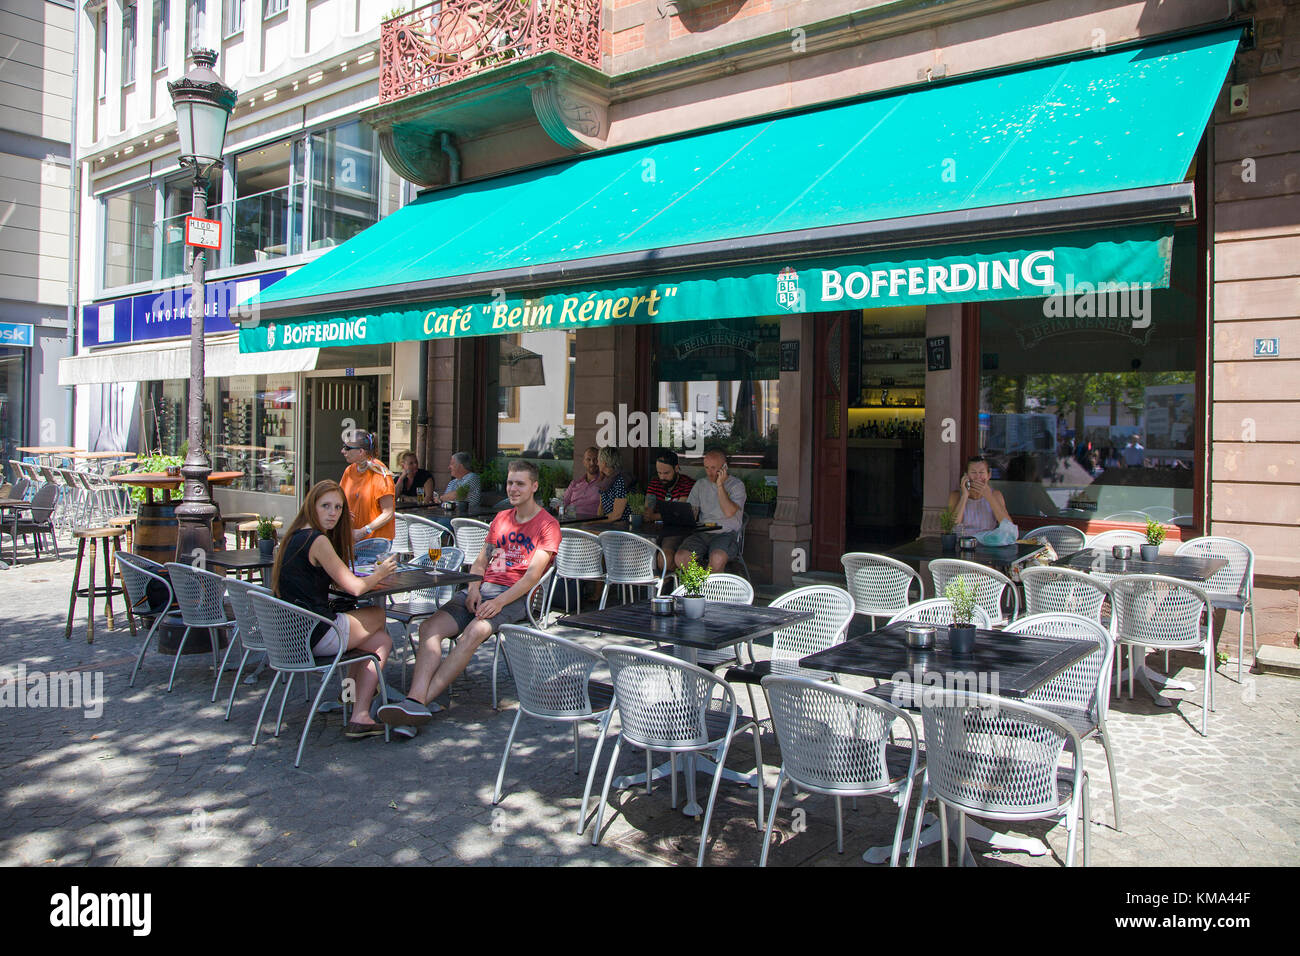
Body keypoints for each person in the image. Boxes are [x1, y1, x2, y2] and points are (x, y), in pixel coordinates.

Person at [378, 460, 560, 725]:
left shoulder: (547, 525)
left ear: (534, 486)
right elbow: (480, 562)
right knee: (429, 628)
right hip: (483, 589)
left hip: (518, 598)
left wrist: (497, 602)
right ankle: (416, 702)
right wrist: (474, 587)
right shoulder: (501, 519)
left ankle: (417, 703)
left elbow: (531, 578)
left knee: (473, 633)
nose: (513, 489)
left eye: (520, 483)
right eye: (510, 483)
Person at [272, 481, 398, 739]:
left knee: (381, 641)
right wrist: (381, 573)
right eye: (326, 506)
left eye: (338, 508)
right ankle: (356, 695)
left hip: (290, 635)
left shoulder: (294, 537)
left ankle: (358, 712)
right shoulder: (316, 540)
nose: (333, 513)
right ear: (311, 507)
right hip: (315, 633)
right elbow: (355, 588)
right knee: (378, 615)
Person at [675, 449, 746, 573]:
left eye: (713, 468)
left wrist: (720, 485)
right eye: (706, 468)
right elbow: (692, 511)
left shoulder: (736, 485)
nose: (709, 472)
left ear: (725, 467)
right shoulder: (701, 484)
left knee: (717, 558)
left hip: (726, 533)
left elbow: (729, 512)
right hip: (703, 530)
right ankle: (701, 585)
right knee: (681, 557)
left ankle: (708, 589)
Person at [339, 431, 396, 542]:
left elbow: (388, 513)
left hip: (375, 543)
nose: (343, 451)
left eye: (347, 448)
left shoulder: (379, 472)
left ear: (361, 451)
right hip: (352, 540)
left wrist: (364, 531)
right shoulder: (349, 471)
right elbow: (340, 499)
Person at [644, 450, 695, 567]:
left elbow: (679, 513)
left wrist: (655, 516)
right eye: (659, 473)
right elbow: (647, 513)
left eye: (666, 473)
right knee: (634, 555)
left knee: (664, 558)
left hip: (677, 530)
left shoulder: (687, 484)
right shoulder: (655, 483)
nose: (662, 477)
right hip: (654, 530)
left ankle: (667, 583)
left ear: (676, 468)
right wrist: (655, 515)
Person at [946, 455, 1011, 533]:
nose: (978, 477)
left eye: (981, 472)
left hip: (987, 542)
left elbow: (1008, 527)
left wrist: (989, 496)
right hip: (963, 542)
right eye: (973, 472)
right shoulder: (955, 496)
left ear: (988, 475)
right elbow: (951, 528)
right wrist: (964, 496)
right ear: (966, 475)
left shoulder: (995, 495)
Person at [561, 446, 602, 518]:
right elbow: (563, 503)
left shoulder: (604, 483)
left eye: (595, 459)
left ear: (600, 462)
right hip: (570, 520)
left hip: (591, 523)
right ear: (584, 462)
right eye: (588, 459)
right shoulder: (575, 483)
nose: (592, 463)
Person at [594, 446, 628, 522]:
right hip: (607, 526)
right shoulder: (604, 480)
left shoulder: (621, 480)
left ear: (604, 463)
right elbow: (601, 508)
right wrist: (595, 523)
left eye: (598, 460)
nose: (597, 463)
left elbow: (617, 515)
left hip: (621, 528)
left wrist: (594, 522)